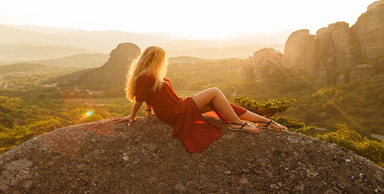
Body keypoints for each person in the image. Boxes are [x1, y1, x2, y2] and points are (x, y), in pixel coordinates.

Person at [113, 46, 287, 153]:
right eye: (161, 59)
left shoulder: (151, 75)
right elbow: (140, 98)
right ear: (154, 59)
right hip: (175, 111)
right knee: (215, 91)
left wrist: (149, 113)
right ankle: (236, 123)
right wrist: (133, 117)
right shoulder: (145, 76)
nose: (163, 62)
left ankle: (265, 121)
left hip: (179, 104)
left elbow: (150, 97)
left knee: (219, 102)